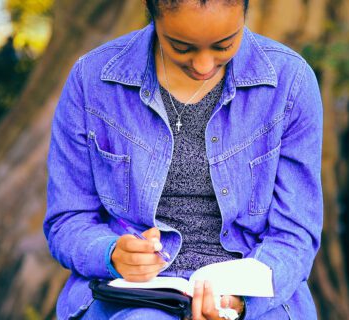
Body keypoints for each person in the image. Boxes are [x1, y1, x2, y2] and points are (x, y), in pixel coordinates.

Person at [43, 0, 324, 319]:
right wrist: (111, 254)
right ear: (152, 15)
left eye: (224, 44)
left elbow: (295, 235)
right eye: (180, 46)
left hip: (253, 299)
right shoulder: (92, 80)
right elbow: (67, 219)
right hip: (134, 298)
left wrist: (239, 303)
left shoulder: (290, 82)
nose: (204, 65)